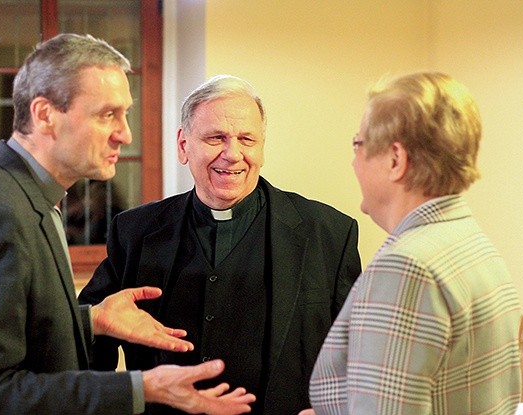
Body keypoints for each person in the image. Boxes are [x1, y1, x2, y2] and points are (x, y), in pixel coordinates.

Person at [0, 34, 256, 415]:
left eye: (126, 113)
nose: (126, 133)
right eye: (107, 115)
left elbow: (4, 335)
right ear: (45, 115)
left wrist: (90, 321)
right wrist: (141, 387)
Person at [78, 74, 362, 415]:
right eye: (216, 138)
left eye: (247, 139)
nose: (233, 154)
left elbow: (359, 351)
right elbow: (92, 342)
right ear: (184, 145)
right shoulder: (134, 232)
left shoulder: (329, 233)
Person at [304, 72, 521, 415]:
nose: (353, 161)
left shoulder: (406, 268)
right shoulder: (470, 242)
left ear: (395, 160)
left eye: (358, 145)